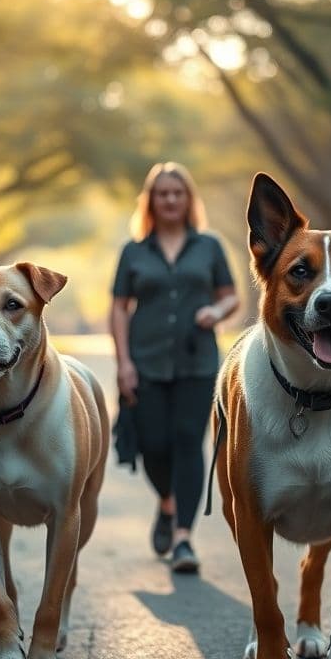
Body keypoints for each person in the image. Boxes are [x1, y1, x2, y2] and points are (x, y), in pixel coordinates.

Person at [110, 162, 239, 573]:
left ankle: (184, 538)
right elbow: (118, 307)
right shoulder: (133, 251)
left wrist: (215, 311)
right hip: (145, 363)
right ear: (150, 201)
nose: (169, 199)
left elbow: (232, 295)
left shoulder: (209, 247)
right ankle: (167, 503)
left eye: (177, 193)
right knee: (153, 445)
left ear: (188, 200)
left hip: (197, 362)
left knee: (188, 441)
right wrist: (123, 363)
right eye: (162, 193)